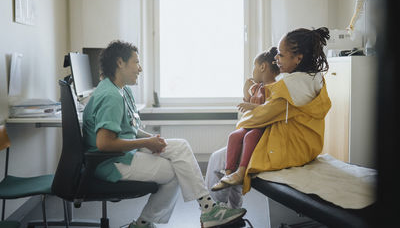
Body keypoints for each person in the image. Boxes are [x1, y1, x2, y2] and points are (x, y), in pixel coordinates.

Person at [82, 40, 246, 228]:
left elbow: (129, 129)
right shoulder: (111, 96)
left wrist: (151, 140)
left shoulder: (122, 90)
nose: (140, 68)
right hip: (110, 162)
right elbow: (104, 143)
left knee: (181, 146)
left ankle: (207, 210)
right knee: (175, 171)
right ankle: (199, 212)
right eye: (136, 62)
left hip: (123, 155)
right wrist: (146, 142)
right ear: (120, 63)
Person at [206, 27, 332, 198]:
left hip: (290, 148)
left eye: (280, 54)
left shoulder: (289, 85)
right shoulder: (315, 78)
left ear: (298, 58)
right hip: (309, 145)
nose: (276, 58)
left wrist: (243, 121)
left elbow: (261, 116)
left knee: (217, 159)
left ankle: (221, 210)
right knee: (232, 148)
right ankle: (229, 205)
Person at [211, 47, 280, 191]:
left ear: (262, 66)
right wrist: (246, 89)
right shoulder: (257, 88)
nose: (253, 71)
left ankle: (241, 171)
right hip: (252, 123)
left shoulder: (275, 87)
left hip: (263, 127)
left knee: (250, 136)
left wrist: (251, 106)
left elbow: (271, 109)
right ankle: (229, 173)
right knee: (234, 135)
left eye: (254, 67)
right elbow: (249, 102)